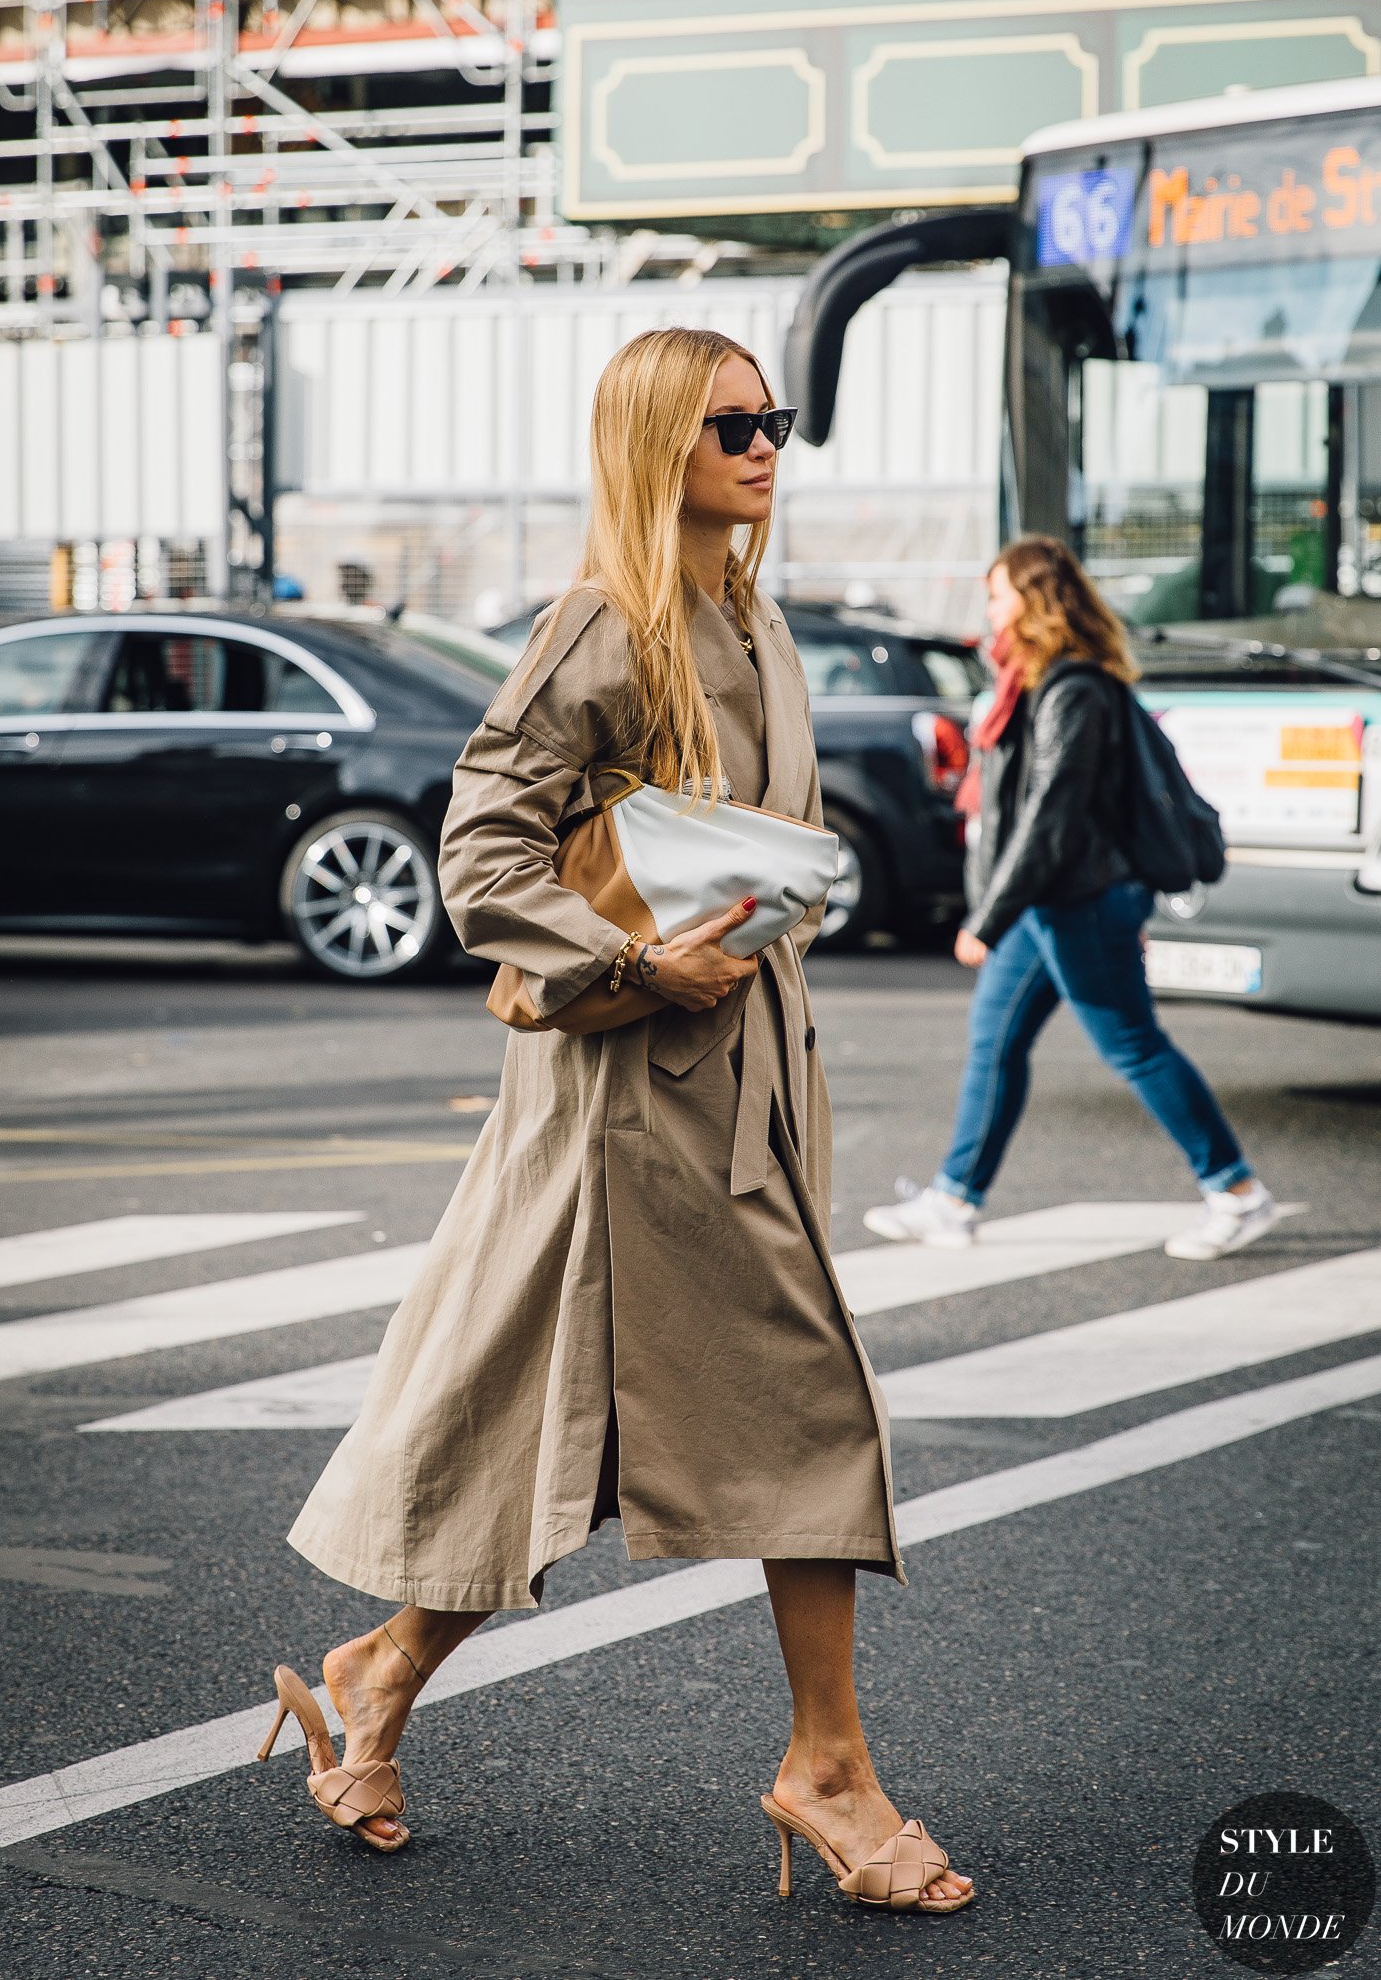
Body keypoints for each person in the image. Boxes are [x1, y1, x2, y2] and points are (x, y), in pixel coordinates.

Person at [262, 328, 974, 1916]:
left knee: (543, 1433)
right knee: (807, 1408)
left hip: (733, 1075)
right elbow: (480, 860)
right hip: (631, 1095)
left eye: (777, 418)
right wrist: (642, 957)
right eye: (733, 421)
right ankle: (830, 1770)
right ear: (658, 438)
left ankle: (378, 1673)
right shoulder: (604, 624)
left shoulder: (751, 612)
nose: (766, 442)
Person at [865, 535, 1279, 1263]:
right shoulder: (1035, 683)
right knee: (995, 1041)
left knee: (1135, 1048)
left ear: (1032, 601)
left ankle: (1236, 1191)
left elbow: (1050, 819)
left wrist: (985, 919)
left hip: (1080, 899)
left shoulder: (1074, 691)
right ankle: (954, 1199)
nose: (989, 610)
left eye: (998, 595)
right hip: (1054, 902)